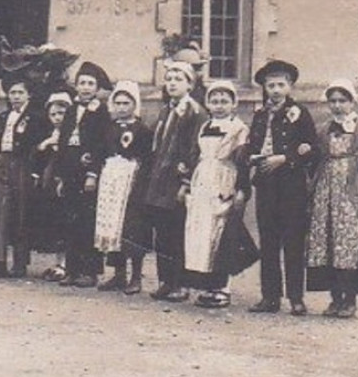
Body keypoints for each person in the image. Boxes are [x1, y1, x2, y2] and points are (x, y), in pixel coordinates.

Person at [306, 79, 358, 318]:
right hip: (326, 190)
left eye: (343, 101)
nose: (338, 106)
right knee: (326, 241)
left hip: (351, 191)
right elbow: (315, 158)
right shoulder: (324, 129)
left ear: (352, 102)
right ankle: (334, 298)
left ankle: (350, 299)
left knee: (349, 243)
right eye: (333, 101)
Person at [245, 59, 321, 315]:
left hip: (291, 185)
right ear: (264, 88)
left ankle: (296, 298)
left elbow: (312, 149)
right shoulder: (259, 115)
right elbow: (252, 145)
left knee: (293, 241)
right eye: (271, 85)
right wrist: (252, 156)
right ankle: (270, 297)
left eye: (281, 84)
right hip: (266, 184)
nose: (275, 90)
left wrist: (286, 158)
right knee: (268, 240)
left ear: (290, 86)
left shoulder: (299, 113)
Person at [182, 80, 260, 309]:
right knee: (203, 234)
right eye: (214, 101)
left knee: (222, 234)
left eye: (224, 101)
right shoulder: (204, 126)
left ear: (233, 103)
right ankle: (208, 285)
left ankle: (223, 287)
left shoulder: (239, 129)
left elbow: (243, 162)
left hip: (225, 178)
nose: (219, 106)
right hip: (203, 181)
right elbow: (195, 155)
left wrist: (241, 189)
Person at [140, 51, 208, 302]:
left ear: (190, 84)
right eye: (169, 78)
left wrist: (185, 182)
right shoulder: (166, 109)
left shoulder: (194, 112)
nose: (172, 83)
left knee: (178, 232)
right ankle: (166, 280)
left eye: (179, 79)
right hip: (160, 179)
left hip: (177, 182)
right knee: (163, 232)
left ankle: (181, 283)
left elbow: (194, 148)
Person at [94, 81, 154, 295]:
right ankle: (118, 274)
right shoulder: (108, 128)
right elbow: (102, 152)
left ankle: (136, 276)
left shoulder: (143, 130)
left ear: (134, 104)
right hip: (111, 179)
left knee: (131, 227)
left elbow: (147, 158)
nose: (121, 107)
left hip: (132, 181)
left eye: (126, 103)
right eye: (117, 103)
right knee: (113, 225)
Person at [60, 61, 114, 287]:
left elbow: (101, 145)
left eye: (90, 84)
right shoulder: (71, 110)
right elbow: (64, 143)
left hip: (88, 175)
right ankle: (72, 269)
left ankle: (90, 271)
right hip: (71, 173)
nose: (85, 88)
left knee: (87, 222)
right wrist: (61, 177)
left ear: (96, 87)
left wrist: (93, 173)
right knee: (71, 221)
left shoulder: (101, 111)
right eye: (82, 83)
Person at [0, 76, 45, 279]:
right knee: (0, 212)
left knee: (21, 213)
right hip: (5, 163)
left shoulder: (36, 117)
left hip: (23, 165)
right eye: (12, 93)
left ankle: (20, 263)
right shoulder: (4, 116)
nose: (16, 97)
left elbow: (38, 146)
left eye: (20, 92)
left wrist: (35, 170)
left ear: (29, 94)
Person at [30, 91, 76, 282]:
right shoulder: (49, 134)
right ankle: (59, 262)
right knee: (55, 223)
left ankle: (67, 264)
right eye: (54, 114)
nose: (58, 118)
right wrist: (45, 144)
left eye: (62, 113)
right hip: (49, 183)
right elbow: (37, 156)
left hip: (64, 181)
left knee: (66, 223)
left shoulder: (72, 133)